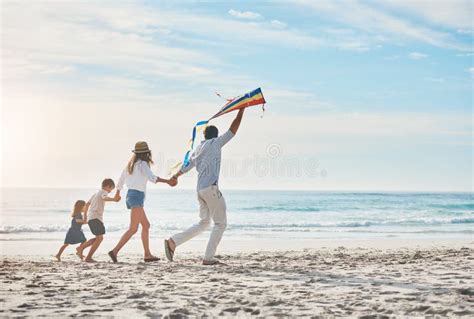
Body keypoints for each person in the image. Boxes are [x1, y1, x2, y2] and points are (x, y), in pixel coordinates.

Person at [165, 108, 245, 265]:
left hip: (200, 190)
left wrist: (175, 176)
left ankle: (173, 242)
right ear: (215, 135)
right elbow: (233, 129)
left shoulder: (198, 148)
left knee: (204, 223)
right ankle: (208, 258)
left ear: (204, 135)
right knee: (220, 224)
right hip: (210, 189)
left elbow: (186, 166)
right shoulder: (215, 143)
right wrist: (241, 110)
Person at [108, 141, 177, 263]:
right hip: (136, 196)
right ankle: (114, 251)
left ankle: (147, 254)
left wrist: (117, 193)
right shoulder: (143, 164)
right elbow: (152, 177)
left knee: (146, 225)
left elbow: (121, 180)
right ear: (146, 153)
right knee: (133, 229)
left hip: (131, 196)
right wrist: (168, 181)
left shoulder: (130, 164)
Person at [78, 178, 120, 262]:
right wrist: (114, 199)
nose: (110, 192)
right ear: (108, 186)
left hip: (92, 218)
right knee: (100, 238)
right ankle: (88, 256)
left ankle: (81, 248)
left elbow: (87, 204)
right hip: (96, 218)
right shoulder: (103, 192)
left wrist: (86, 216)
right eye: (111, 189)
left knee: (98, 238)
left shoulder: (96, 193)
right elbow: (105, 198)